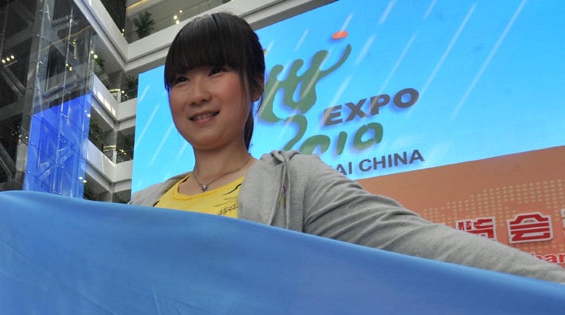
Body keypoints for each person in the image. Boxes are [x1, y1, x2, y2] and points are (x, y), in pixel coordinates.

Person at [130, 12, 565, 284]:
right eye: (181, 80)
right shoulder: (142, 205)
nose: (197, 94)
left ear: (256, 85)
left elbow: (424, 247)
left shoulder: (293, 184)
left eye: (217, 71)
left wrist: (549, 285)